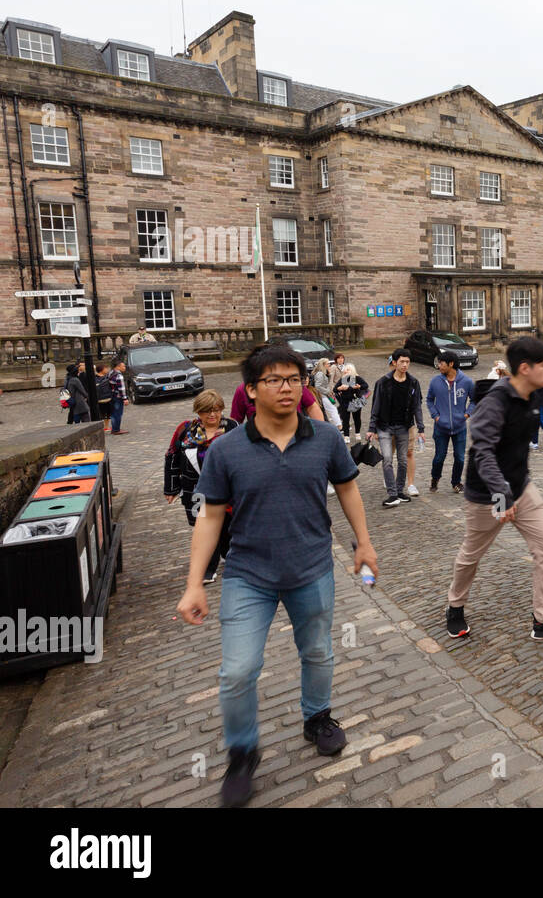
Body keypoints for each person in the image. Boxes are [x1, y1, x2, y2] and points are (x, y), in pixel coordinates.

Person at [176, 343, 377, 808]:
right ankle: (243, 753)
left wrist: (364, 543)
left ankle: (318, 719)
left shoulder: (325, 438)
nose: (286, 388)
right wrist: (193, 583)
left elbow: (347, 489)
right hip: (248, 575)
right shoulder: (226, 450)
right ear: (251, 390)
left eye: (294, 378)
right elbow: (209, 518)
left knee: (318, 651)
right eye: (274, 380)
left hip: (311, 568)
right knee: (238, 671)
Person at [449, 336, 543, 642]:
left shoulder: (535, 396)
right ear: (525, 368)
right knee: (472, 555)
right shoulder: (495, 403)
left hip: (521, 488)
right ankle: (455, 606)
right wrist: (501, 496)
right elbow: (483, 453)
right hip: (487, 494)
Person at [165, 389, 238, 583]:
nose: (212, 415)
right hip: (196, 490)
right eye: (206, 411)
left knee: (227, 525)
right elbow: (172, 456)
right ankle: (208, 567)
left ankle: (230, 557)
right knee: (203, 525)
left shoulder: (233, 427)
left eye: (216, 410)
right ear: (198, 411)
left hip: (227, 489)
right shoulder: (185, 430)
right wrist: (171, 488)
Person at [366, 348, 426, 507]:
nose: (405, 365)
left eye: (407, 362)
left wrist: (421, 428)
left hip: (403, 427)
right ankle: (392, 494)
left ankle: (400, 491)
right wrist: (371, 428)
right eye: (402, 362)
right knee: (387, 459)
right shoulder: (383, 382)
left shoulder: (413, 383)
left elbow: (417, 407)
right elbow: (376, 406)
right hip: (385, 427)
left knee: (403, 461)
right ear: (394, 362)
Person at [426, 350, 474, 493]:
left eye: (441, 363)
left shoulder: (466, 382)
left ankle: (456, 482)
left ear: (451, 364)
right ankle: (435, 478)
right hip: (441, 427)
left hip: (460, 427)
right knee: (439, 457)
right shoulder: (435, 381)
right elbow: (429, 400)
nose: (438, 365)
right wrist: (435, 416)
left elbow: (475, 400)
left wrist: (466, 415)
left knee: (459, 458)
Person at [231, 378, 324, 423]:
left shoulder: (294, 383)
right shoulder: (243, 389)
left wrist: (321, 432)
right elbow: (235, 421)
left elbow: (312, 406)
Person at [333, 363, 368, 441]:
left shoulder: (356, 378)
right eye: (345, 369)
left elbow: (366, 385)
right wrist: (340, 388)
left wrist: (359, 386)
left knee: (357, 418)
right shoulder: (343, 379)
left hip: (356, 401)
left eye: (348, 369)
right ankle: (346, 436)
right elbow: (335, 389)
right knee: (345, 419)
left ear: (352, 370)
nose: (346, 371)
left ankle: (357, 433)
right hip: (344, 402)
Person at [107, 359, 130, 435]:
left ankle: (114, 429)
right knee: (118, 413)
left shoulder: (110, 373)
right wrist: (125, 398)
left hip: (112, 396)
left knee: (113, 413)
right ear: (118, 366)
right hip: (118, 397)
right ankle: (116, 430)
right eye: (123, 366)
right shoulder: (119, 376)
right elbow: (121, 388)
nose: (125, 367)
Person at [94, 363, 113, 428]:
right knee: (104, 413)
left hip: (101, 399)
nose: (107, 369)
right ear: (102, 370)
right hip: (106, 398)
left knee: (107, 413)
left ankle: (106, 427)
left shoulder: (94, 378)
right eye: (106, 368)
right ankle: (104, 426)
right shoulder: (107, 377)